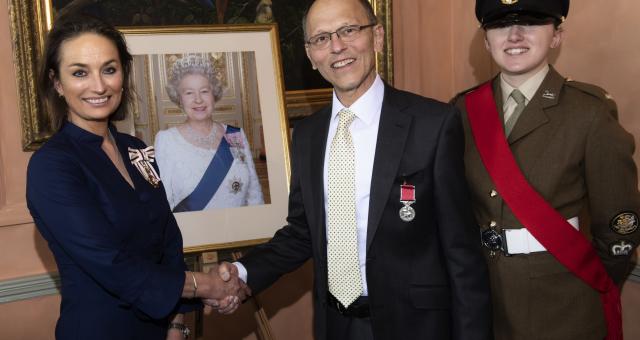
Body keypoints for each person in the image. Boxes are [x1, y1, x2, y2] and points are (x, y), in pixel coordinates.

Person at [212, 0, 493, 339]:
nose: (336, 47)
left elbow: (462, 252)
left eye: (348, 30)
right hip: (337, 326)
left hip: (416, 327)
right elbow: (302, 232)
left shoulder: (433, 124)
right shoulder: (307, 135)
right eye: (322, 38)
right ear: (311, 55)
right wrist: (242, 272)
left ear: (376, 35)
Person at [26, 12, 247, 340]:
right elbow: (113, 264)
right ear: (57, 83)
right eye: (79, 73)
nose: (99, 86)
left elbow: (168, 241)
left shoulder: (136, 149)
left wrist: (177, 323)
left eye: (109, 70)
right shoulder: (52, 166)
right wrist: (206, 285)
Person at [451, 1, 640, 339]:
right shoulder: (462, 111)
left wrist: (587, 284)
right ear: (485, 40)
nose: (514, 35)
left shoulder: (589, 113)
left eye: (531, 22)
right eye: (500, 25)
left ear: (557, 36)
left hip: (563, 307)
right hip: (484, 303)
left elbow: (619, 225)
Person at [154, 55, 264, 212]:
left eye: (204, 91)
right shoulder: (166, 140)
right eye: (189, 93)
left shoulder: (235, 136)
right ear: (179, 99)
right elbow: (163, 203)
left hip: (242, 232)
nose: (198, 100)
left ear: (214, 95)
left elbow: (254, 194)